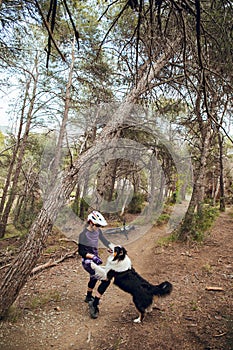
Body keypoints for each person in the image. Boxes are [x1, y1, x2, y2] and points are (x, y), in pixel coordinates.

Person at [78, 210, 114, 319]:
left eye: (100, 226)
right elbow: (81, 251)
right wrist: (92, 256)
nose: (98, 227)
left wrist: (111, 248)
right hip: (88, 262)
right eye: (97, 225)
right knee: (106, 278)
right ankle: (94, 304)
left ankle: (89, 297)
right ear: (91, 223)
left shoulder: (98, 232)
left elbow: (104, 240)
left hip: (95, 259)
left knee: (94, 277)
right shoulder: (83, 234)